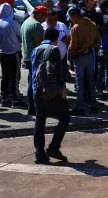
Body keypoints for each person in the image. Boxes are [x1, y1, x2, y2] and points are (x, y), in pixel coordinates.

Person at [32, 27, 70, 164]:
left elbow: (33, 72)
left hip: (37, 92)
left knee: (39, 122)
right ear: (56, 39)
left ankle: (39, 153)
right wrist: (62, 88)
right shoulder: (54, 50)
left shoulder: (35, 50)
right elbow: (58, 71)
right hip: (52, 92)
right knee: (65, 117)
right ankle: (54, 147)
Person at [69, 8, 102, 116]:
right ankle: (94, 105)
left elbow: (73, 45)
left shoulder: (76, 28)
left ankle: (80, 107)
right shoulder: (92, 24)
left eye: (71, 16)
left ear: (75, 16)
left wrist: (71, 56)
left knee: (80, 82)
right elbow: (98, 40)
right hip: (89, 55)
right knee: (91, 81)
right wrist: (89, 47)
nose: (70, 19)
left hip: (79, 57)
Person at [0, 3, 23, 108]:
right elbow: (21, 34)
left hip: (3, 53)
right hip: (13, 53)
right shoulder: (13, 23)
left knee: (5, 76)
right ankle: (15, 100)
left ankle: (4, 98)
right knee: (14, 77)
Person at [21, 6, 47, 115]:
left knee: (32, 82)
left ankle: (32, 107)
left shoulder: (26, 22)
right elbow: (40, 44)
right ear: (40, 14)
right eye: (44, 16)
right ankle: (34, 107)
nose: (44, 19)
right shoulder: (36, 25)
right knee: (35, 84)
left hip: (28, 57)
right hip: (35, 58)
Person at [41, 10, 70, 80]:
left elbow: (69, 37)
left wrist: (66, 39)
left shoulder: (62, 25)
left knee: (62, 77)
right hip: (48, 58)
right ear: (46, 18)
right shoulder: (42, 26)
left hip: (62, 58)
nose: (53, 22)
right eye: (50, 20)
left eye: (55, 20)